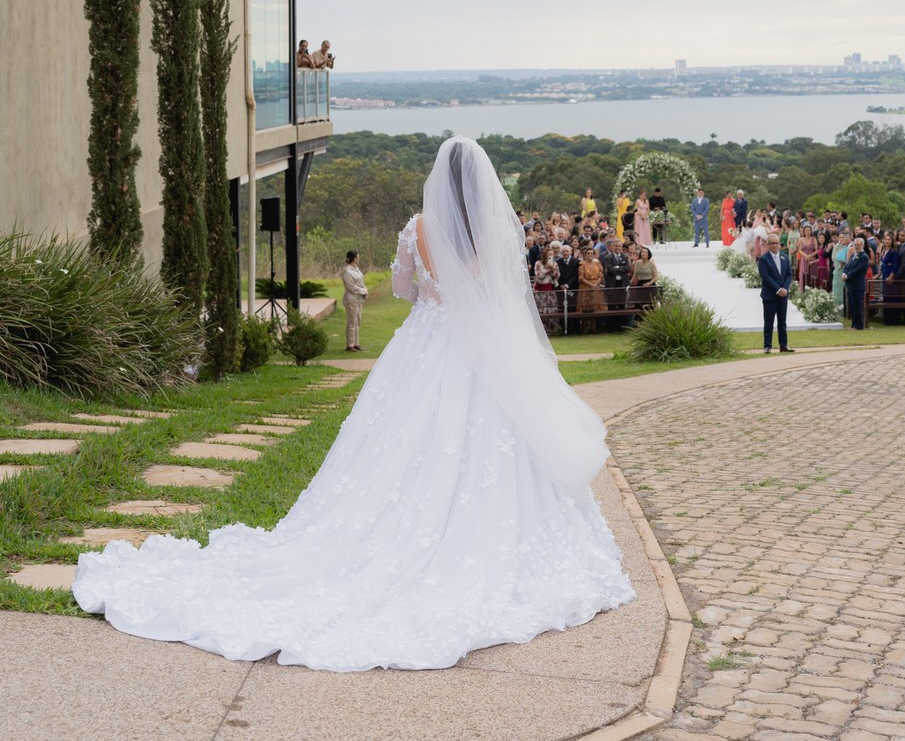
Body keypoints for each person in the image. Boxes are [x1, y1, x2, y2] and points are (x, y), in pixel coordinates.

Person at [72, 136, 633, 670]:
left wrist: (436, 296)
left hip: (426, 344)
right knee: (491, 442)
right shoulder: (496, 231)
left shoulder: (419, 227)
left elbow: (405, 289)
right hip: (480, 350)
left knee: (396, 444)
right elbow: (503, 297)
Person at [757, 232, 793, 354]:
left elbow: (789, 274)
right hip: (770, 295)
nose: (775, 245)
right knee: (769, 321)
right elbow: (765, 277)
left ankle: (783, 345)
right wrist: (778, 290)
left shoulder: (784, 257)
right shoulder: (763, 259)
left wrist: (785, 289)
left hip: (783, 295)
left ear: (780, 244)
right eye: (772, 243)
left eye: (776, 243)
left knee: (782, 321)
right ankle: (767, 345)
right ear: (768, 245)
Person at [340, 249, 368, 352]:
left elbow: (360, 282)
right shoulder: (347, 271)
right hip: (351, 300)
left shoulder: (356, 269)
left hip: (358, 299)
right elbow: (351, 287)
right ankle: (350, 345)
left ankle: (356, 343)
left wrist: (365, 290)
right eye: (357, 257)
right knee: (352, 322)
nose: (359, 259)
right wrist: (363, 290)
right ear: (354, 258)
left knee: (357, 322)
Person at [843, 238, 871, 330]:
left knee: (858, 306)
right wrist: (844, 273)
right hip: (850, 284)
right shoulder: (853, 255)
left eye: (858, 245)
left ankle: (859, 325)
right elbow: (848, 266)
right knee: (852, 305)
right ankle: (854, 324)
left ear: (862, 246)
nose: (856, 247)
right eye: (855, 245)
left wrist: (848, 276)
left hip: (858, 284)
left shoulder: (864, 257)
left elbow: (858, 270)